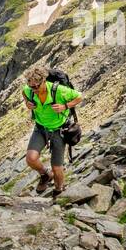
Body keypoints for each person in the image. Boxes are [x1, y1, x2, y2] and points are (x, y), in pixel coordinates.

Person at [22, 65, 82, 196]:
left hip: (59, 130)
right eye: (32, 86)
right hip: (40, 128)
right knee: (31, 159)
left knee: (57, 168)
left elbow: (79, 96)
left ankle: (59, 190)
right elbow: (24, 91)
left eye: (38, 86)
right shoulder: (29, 90)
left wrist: (64, 106)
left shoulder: (58, 90)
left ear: (44, 80)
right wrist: (27, 102)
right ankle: (45, 175)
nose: (35, 89)